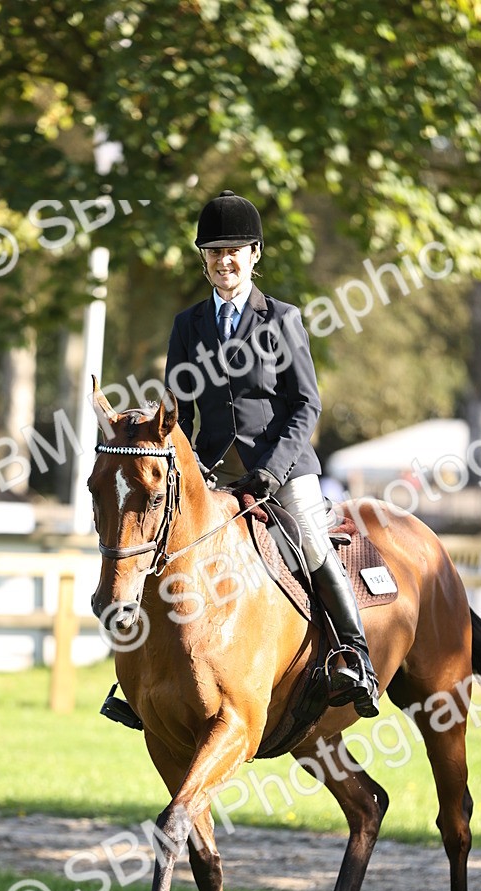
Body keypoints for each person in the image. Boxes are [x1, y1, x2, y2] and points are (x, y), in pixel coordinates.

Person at [101, 189, 379, 727]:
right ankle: (139, 680)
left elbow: (306, 404)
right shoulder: (188, 325)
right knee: (163, 548)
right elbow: (174, 411)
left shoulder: (282, 318)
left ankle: (354, 656)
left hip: (282, 463)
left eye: (234, 251)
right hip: (210, 466)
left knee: (312, 545)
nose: (223, 261)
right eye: (213, 252)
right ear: (202, 259)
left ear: (254, 254)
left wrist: (273, 470)